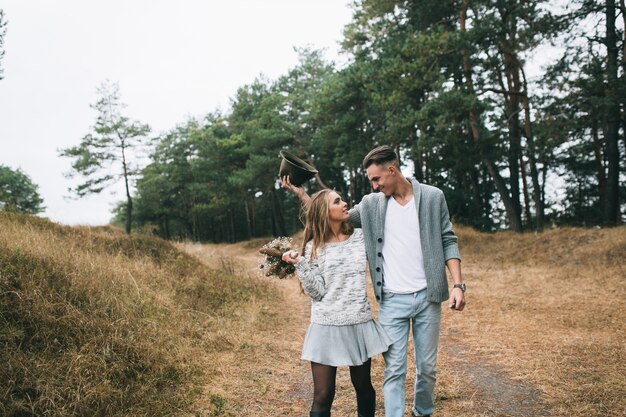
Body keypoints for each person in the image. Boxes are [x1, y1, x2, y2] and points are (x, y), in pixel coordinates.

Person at [282, 145, 466, 417]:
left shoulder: (432, 197)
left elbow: (448, 239)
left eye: (376, 179)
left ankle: (422, 411)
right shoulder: (371, 205)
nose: (374, 186)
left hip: (428, 297)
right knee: (393, 370)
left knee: (426, 369)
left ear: (392, 170)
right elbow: (328, 216)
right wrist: (302, 195)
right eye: (371, 181)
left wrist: (458, 285)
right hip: (391, 300)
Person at [281, 188, 391, 417]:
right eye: (337, 201)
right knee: (323, 395)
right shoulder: (313, 248)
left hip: (357, 322)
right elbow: (317, 292)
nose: (345, 204)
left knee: (364, 388)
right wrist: (300, 264)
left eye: (342, 199)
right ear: (325, 212)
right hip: (325, 326)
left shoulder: (361, 237)